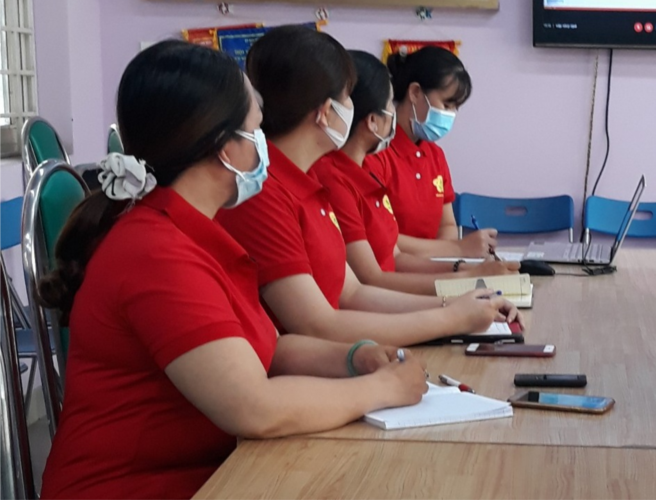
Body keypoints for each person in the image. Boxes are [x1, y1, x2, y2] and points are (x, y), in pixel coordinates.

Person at [37, 42, 428, 500]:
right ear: (224, 148)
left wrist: (354, 358)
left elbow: (268, 348)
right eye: (256, 130)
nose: (265, 146)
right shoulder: (155, 252)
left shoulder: (194, 231)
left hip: (213, 474)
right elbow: (254, 407)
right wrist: (381, 389)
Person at [215, 26, 518, 345]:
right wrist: (450, 316)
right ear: (325, 112)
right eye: (348, 96)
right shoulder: (263, 194)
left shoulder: (310, 182)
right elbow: (316, 324)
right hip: (324, 360)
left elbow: (353, 293)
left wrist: (459, 304)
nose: (355, 107)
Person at [310, 50, 515, 294]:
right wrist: (463, 277)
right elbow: (369, 281)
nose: (451, 114)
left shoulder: (426, 156)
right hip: (391, 294)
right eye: (447, 104)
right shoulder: (348, 170)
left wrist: (463, 271)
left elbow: (395, 256)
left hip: (409, 283)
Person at [369, 46, 497, 257]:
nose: (451, 115)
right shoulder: (375, 152)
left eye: (456, 108)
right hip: (392, 269)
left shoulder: (435, 155)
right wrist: (457, 249)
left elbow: (447, 225)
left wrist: (444, 259)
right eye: (446, 105)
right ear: (415, 92)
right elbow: (382, 237)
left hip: (433, 267)